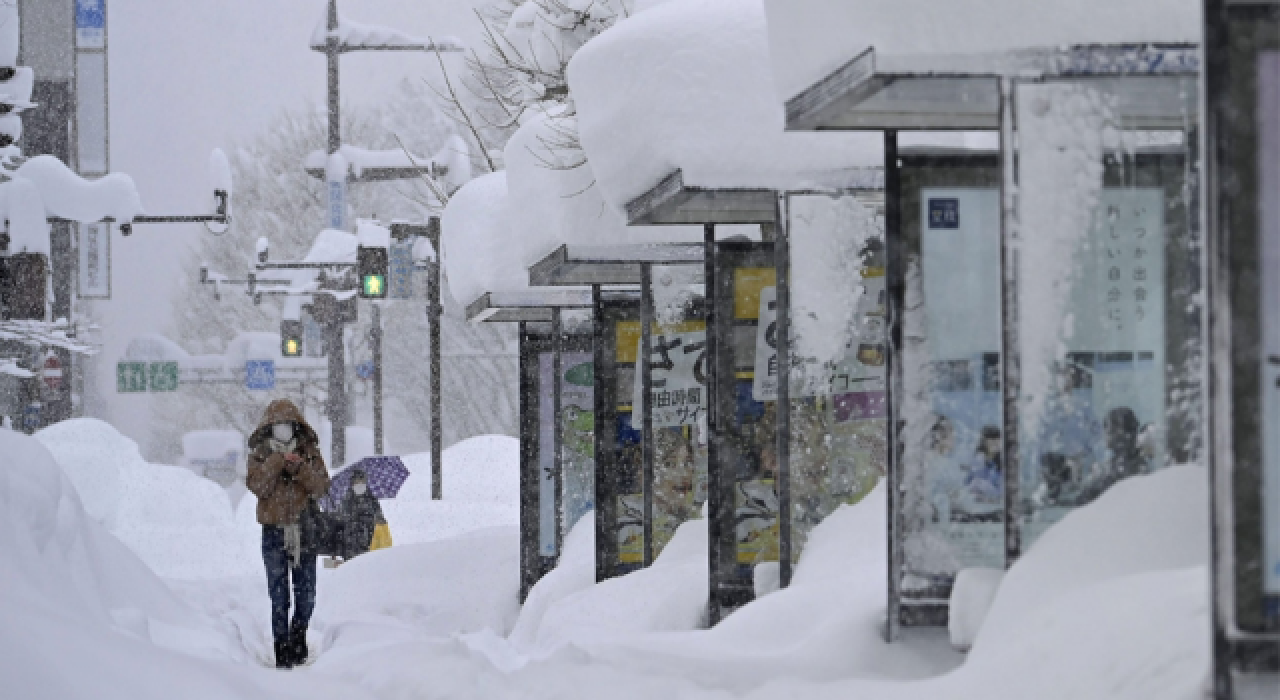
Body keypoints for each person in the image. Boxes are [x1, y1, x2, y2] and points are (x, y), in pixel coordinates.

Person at [246, 399, 329, 669]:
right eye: (278, 425)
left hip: (305, 531)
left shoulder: (309, 453)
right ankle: (282, 649)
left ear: (296, 427)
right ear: (269, 428)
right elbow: (258, 486)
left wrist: (299, 468)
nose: (283, 429)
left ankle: (298, 637)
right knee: (279, 596)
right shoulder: (260, 454)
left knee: (307, 595)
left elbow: (321, 487)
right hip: (273, 533)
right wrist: (276, 463)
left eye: (288, 425)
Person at [335, 469, 387, 560]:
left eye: (362, 482)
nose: (360, 485)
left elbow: (380, 519)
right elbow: (341, 522)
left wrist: (377, 520)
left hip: (371, 544)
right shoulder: (346, 501)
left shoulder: (372, 500)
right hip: (351, 546)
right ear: (352, 484)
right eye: (357, 482)